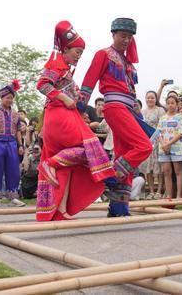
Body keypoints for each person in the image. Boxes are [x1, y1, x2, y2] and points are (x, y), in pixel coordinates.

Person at [36, 21, 115, 221]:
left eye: (81, 53)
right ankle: (50, 164)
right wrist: (65, 98)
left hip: (63, 114)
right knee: (89, 147)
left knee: (68, 167)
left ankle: (60, 210)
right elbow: (42, 84)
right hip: (59, 114)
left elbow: (73, 94)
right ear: (66, 48)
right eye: (76, 52)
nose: (78, 56)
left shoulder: (66, 70)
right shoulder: (56, 64)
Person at [79, 17, 153, 217]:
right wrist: (80, 107)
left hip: (128, 109)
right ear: (113, 34)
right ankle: (108, 175)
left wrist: (139, 115)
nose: (126, 40)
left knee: (124, 155)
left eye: (129, 37)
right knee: (144, 146)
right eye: (123, 36)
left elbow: (132, 92)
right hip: (114, 106)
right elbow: (89, 80)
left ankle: (119, 208)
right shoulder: (103, 54)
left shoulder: (128, 63)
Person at [0, 80, 26, 207]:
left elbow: (19, 130)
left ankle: (13, 197)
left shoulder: (16, 114)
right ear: (1, 98)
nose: (10, 100)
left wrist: (20, 145)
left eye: (11, 98)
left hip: (12, 144)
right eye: (7, 98)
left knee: (13, 170)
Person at [155, 94, 182, 198]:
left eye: (173, 103)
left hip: (176, 149)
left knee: (178, 171)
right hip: (163, 149)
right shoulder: (162, 118)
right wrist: (163, 144)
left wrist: (168, 144)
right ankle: (169, 196)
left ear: (177, 104)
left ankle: (178, 196)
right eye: (168, 103)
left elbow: (181, 133)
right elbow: (158, 133)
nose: (170, 105)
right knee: (166, 172)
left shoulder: (180, 118)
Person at [139, 90, 165, 199]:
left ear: (156, 99)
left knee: (159, 166)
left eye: (152, 97)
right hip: (146, 142)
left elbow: (163, 125)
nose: (150, 99)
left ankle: (159, 191)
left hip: (158, 141)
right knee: (147, 168)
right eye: (148, 97)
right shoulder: (142, 112)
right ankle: (151, 191)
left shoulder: (160, 110)